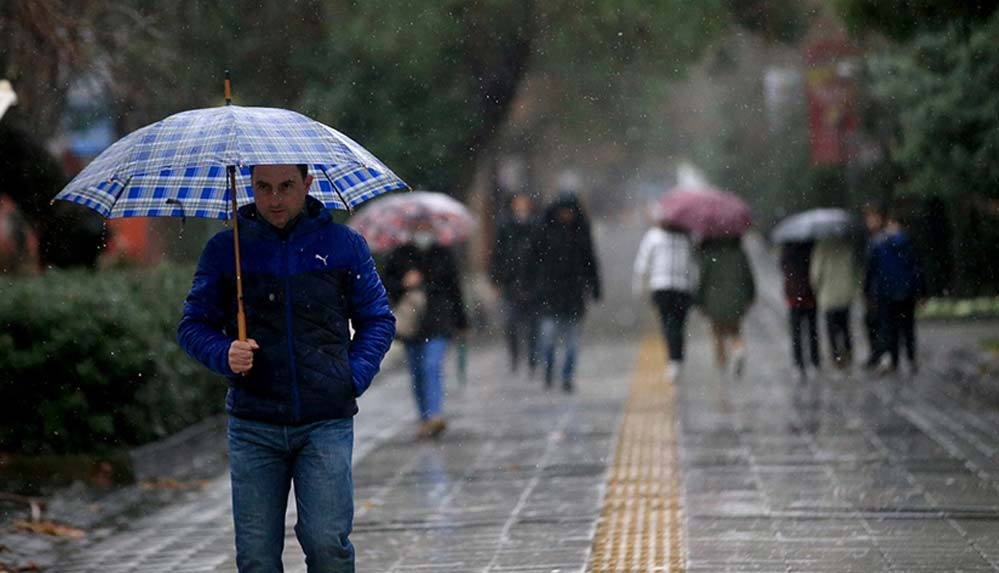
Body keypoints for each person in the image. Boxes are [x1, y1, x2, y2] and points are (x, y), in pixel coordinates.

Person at [178, 164, 396, 572]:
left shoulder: (343, 244)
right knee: (257, 556)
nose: (274, 199)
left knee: (326, 543)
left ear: (307, 184)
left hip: (325, 420)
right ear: (249, 186)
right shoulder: (228, 251)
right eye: (263, 187)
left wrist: (353, 376)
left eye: (286, 187)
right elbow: (192, 326)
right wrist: (224, 351)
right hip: (254, 423)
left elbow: (378, 319)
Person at [383, 219, 469, 438]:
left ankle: (434, 415)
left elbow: (454, 289)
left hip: (438, 320)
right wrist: (404, 283)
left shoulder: (443, 253)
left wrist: (462, 322)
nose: (423, 233)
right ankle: (425, 417)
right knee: (417, 372)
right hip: (412, 324)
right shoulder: (400, 255)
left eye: (426, 228)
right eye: (419, 228)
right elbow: (384, 287)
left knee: (431, 366)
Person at [531, 192, 601, 392]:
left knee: (573, 340)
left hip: (574, 294)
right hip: (550, 294)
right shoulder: (544, 230)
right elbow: (533, 260)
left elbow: (590, 260)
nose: (566, 215)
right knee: (548, 338)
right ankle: (549, 368)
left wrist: (594, 286)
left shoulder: (581, 231)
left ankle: (567, 376)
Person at [633, 220, 698, 380]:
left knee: (669, 323)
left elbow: (642, 262)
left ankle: (674, 360)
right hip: (683, 287)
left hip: (662, 287)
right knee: (678, 324)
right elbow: (695, 264)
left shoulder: (654, 237)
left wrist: (640, 285)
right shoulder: (687, 238)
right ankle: (677, 359)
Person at [864, 210, 925, 374]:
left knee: (891, 329)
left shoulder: (879, 244)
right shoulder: (908, 243)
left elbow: (871, 271)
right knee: (908, 328)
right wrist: (921, 291)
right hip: (907, 293)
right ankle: (911, 360)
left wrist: (868, 292)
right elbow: (917, 269)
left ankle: (895, 361)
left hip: (886, 294)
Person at [490, 192, 539, 375]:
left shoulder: (535, 226)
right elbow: (498, 254)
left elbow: (541, 255)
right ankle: (515, 356)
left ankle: (533, 359)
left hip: (532, 285)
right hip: (511, 285)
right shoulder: (505, 227)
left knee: (533, 326)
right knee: (511, 324)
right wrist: (497, 279)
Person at [697, 237, 755, 377]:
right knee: (735, 330)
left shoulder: (709, 254)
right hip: (736, 298)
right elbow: (748, 276)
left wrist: (700, 302)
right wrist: (751, 295)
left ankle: (721, 365)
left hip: (714, 300)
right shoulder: (739, 252)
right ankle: (738, 350)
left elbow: (703, 280)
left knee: (718, 333)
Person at [810, 236, 859, 369]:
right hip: (845, 293)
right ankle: (848, 352)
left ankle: (837, 356)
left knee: (832, 329)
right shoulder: (847, 245)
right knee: (845, 325)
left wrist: (817, 288)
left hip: (829, 294)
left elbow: (815, 273)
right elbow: (854, 269)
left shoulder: (822, 248)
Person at [780, 241, 820, 378]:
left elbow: (783, 268)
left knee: (796, 332)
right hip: (810, 295)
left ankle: (799, 362)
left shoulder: (787, 250)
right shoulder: (811, 247)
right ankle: (815, 360)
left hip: (794, 297)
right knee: (812, 330)